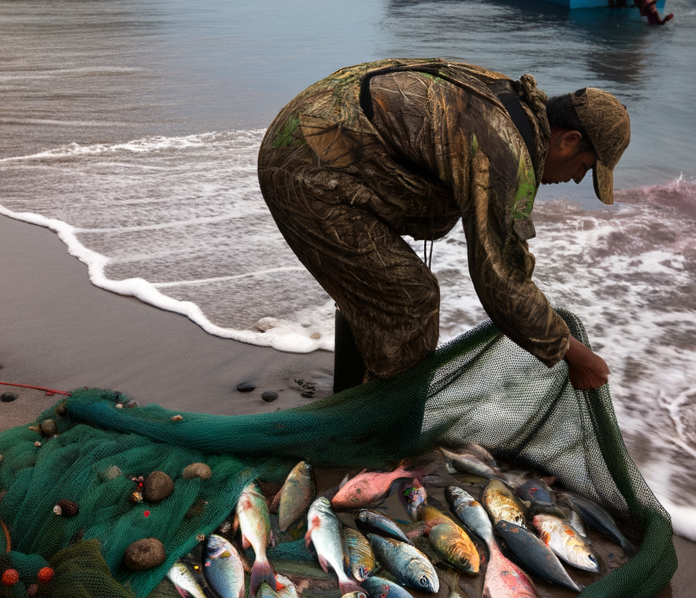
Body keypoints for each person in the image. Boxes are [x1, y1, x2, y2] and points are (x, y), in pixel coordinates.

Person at [257, 58, 629, 392]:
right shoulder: (503, 149)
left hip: (311, 129)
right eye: (585, 168)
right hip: (307, 164)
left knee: (381, 286)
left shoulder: (508, 103)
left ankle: (352, 396)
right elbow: (501, 279)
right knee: (409, 301)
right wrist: (574, 354)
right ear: (568, 140)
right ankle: (381, 432)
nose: (577, 180)